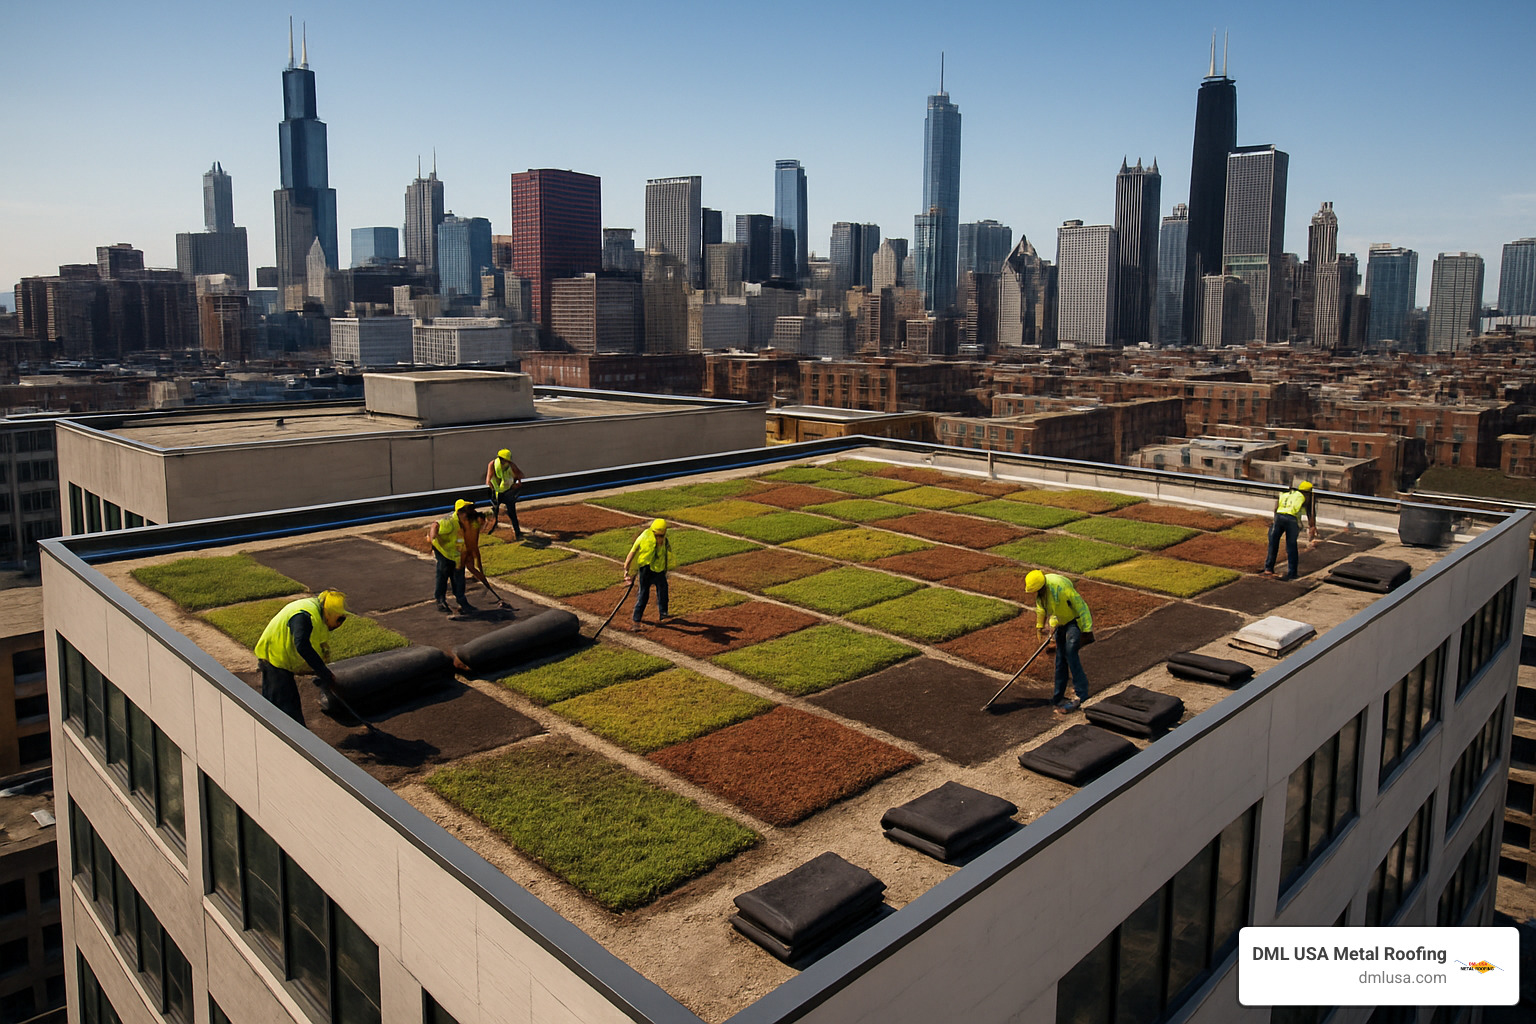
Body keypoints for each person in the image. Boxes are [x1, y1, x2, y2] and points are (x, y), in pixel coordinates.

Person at [253, 590, 347, 726]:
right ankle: (290, 743)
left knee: (284, 707)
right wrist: (322, 671)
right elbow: (302, 645)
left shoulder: (316, 612)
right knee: (285, 713)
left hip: (281, 663)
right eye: (338, 620)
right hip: (274, 661)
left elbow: (314, 644)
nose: (337, 625)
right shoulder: (304, 616)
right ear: (331, 614)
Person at [1025, 569, 1094, 714]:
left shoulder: (1061, 587)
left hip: (1075, 622)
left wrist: (1087, 630)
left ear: (1042, 585)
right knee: (1060, 660)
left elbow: (1081, 606)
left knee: (1071, 654)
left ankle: (1082, 694)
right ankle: (1058, 697)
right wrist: (1039, 626)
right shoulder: (1041, 593)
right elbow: (1041, 609)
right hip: (1060, 621)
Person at [427, 498, 478, 615]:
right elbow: (435, 525)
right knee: (443, 575)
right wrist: (433, 536)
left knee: (459, 578)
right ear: (459, 513)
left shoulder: (467, 522)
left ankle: (462, 601)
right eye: (466, 511)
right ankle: (440, 600)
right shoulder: (449, 522)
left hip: (457, 554)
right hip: (444, 553)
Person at [1261, 479, 1316, 581]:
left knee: (1273, 543)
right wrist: (1312, 526)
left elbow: (1276, 507)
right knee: (1291, 546)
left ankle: (1268, 568)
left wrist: (1275, 521)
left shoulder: (1287, 494)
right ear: (1307, 492)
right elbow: (1310, 512)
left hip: (1279, 516)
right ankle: (1292, 573)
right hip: (1291, 519)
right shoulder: (1304, 497)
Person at [622, 518, 671, 630]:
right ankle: (636, 620)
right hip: (646, 570)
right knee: (644, 594)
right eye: (658, 535)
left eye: (662, 536)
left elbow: (666, 555)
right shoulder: (644, 537)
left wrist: (665, 569)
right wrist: (626, 569)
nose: (660, 538)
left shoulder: (665, 541)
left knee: (663, 589)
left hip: (659, 570)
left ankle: (663, 612)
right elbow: (633, 551)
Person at [484, 448, 525, 539]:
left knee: (512, 513)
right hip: (497, 492)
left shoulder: (511, 465)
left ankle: (517, 532)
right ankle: (490, 528)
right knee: (495, 512)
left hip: (507, 492)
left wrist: (517, 483)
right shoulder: (492, 465)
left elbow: (520, 475)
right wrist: (494, 490)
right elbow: (489, 481)